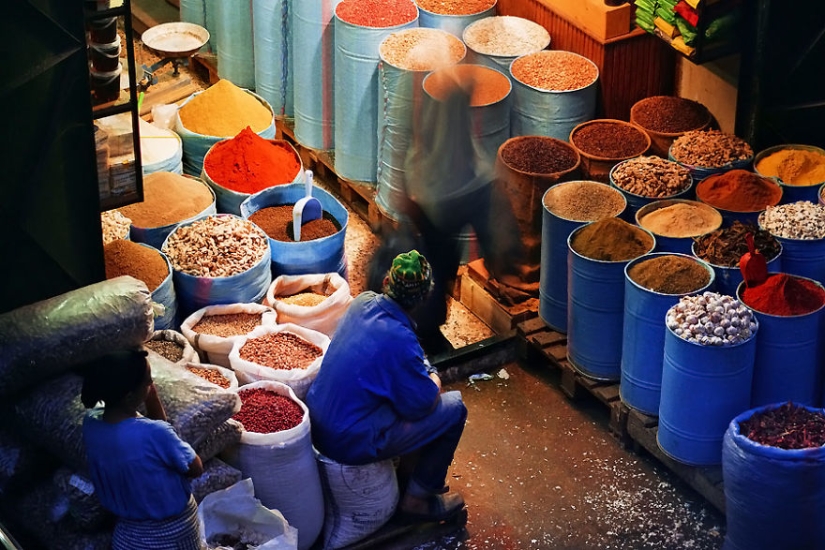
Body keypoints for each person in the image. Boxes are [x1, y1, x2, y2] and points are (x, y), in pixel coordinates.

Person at [306, 250, 468, 522]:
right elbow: (423, 404)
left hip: (317, 422)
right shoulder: (401, 340)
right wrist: (434, 375)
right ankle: (417, 501)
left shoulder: (361, 302)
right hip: (346, 443)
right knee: (454, 409)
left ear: (385, 282)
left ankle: (407, 473)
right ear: (425, 297)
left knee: (396, 392)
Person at [401, 68, 525, 354]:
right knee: (435, 268)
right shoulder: (435, 120)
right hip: (439, 204)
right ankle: (426, 335)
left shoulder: (432, 125)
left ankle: (427, 330)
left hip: (441, 201)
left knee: (436, 266)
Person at [81, 349, 204, 550]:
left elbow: (148, 434)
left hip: (128, 535)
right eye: (148, 382)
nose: (151, 385)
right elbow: (195, 467)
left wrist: (147, 391)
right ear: (130, 396)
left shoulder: (91, 425)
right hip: (171, 534)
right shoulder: (155, 433)